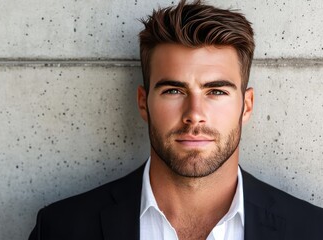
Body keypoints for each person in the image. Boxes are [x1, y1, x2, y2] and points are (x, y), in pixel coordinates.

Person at [29, 0, 323, 239]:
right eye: (173, 90)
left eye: (216, 91)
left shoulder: (311, 230)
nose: (194, 113)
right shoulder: (61, 229)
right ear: (144, 103)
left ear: (246, 106)